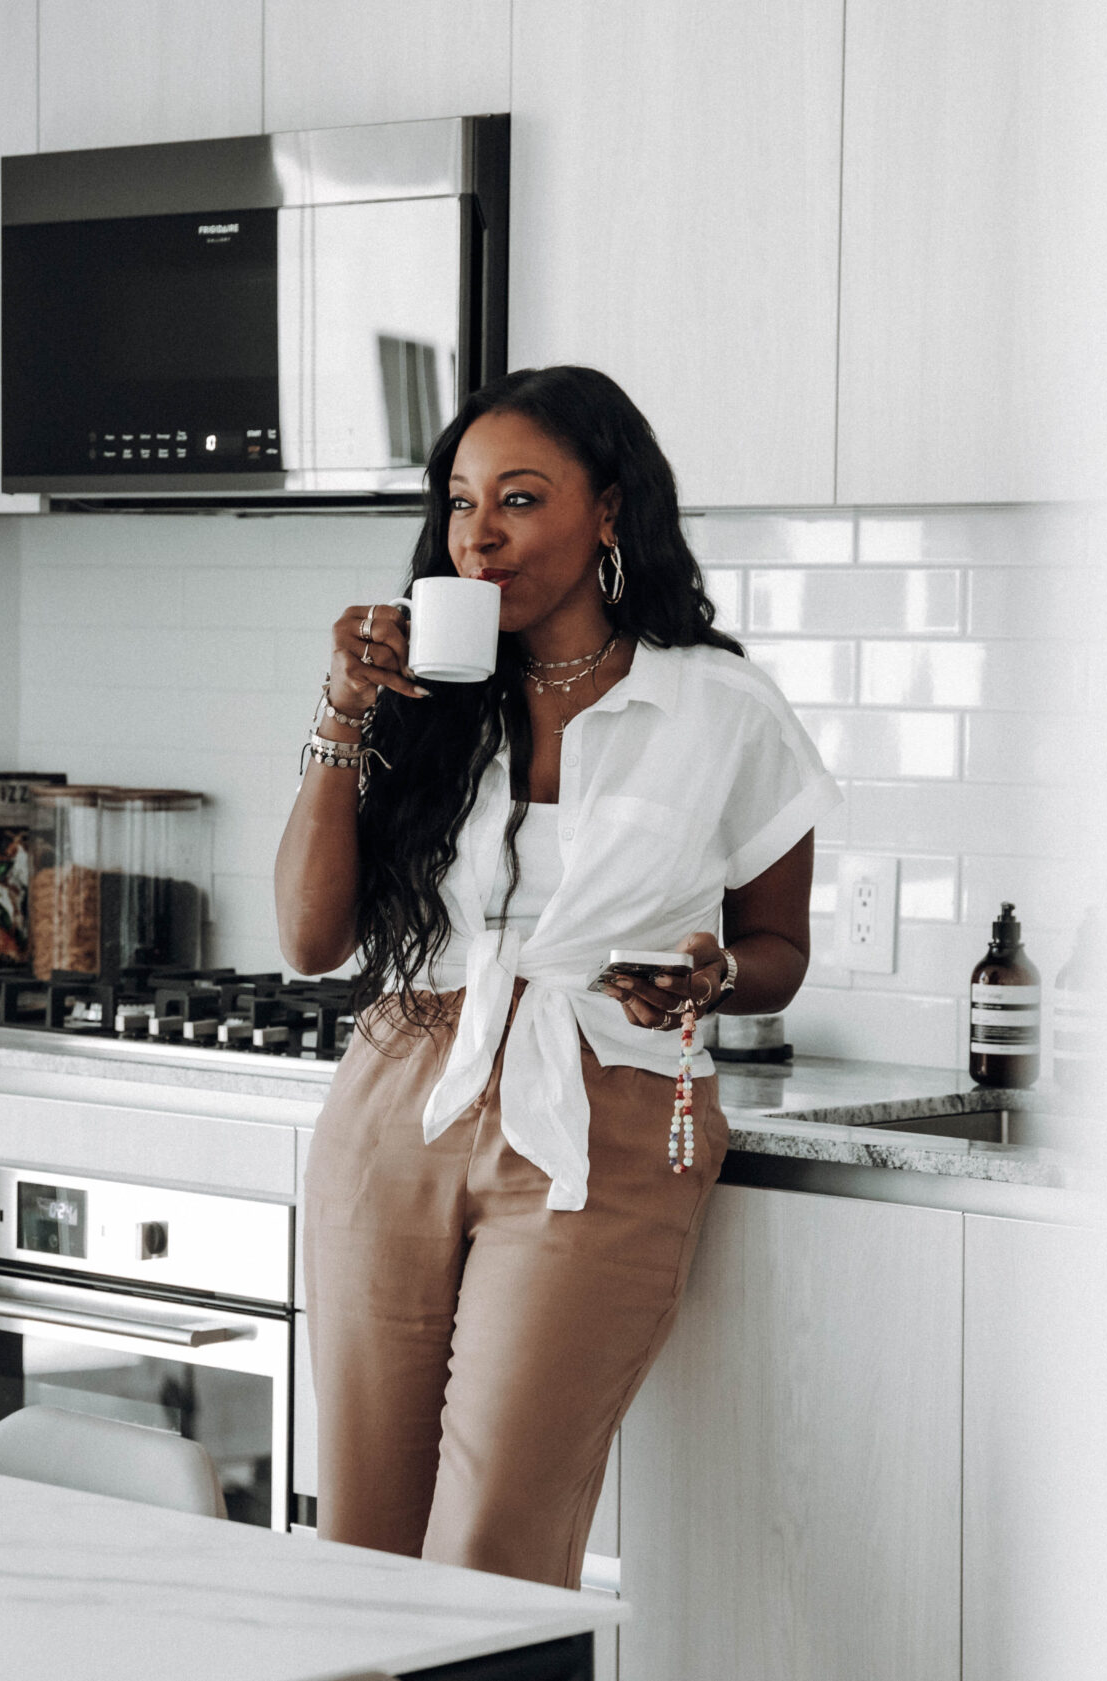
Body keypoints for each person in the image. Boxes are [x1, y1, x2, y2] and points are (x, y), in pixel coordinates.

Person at [274, 364, 841, 1588]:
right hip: (397, 1097)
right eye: (463, 501)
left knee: (493, 1546)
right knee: (360, 1541)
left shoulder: (721, 709)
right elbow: (312, 942)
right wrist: (341, 715)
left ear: (610, 510)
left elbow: (778, 952)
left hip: (611, 1112)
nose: (480, 534)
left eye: (520, 499)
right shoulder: (421, 700)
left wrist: (707, 979)